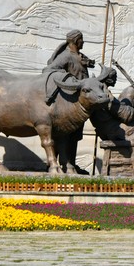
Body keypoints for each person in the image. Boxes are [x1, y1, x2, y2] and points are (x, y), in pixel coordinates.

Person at [42, 30, 97, 172]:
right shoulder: (65, 56)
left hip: (80, 102)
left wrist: (87, 63)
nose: (83, 42)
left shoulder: (78, 55)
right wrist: (69, 79)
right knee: (65, 133)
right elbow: (49, 70)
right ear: (75, 41)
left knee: (75, 135)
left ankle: (70, 163)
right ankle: (58, 163)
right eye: (81, 39)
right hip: (68, 101)